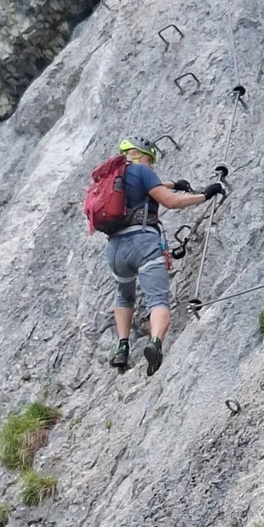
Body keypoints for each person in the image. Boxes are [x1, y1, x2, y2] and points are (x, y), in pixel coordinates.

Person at [97, 138, 219, 374]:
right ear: (139, 154)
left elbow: (146, 188)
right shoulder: (142, 171)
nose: (151, 166)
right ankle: (155, 344)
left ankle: (122, 347)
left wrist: (173, 183)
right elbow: (170, 201)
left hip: (114, 249)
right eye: (149, 160)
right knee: (157, 299)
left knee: (124, 297)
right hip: (142, 243)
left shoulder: (113, 177)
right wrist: (204, 195)